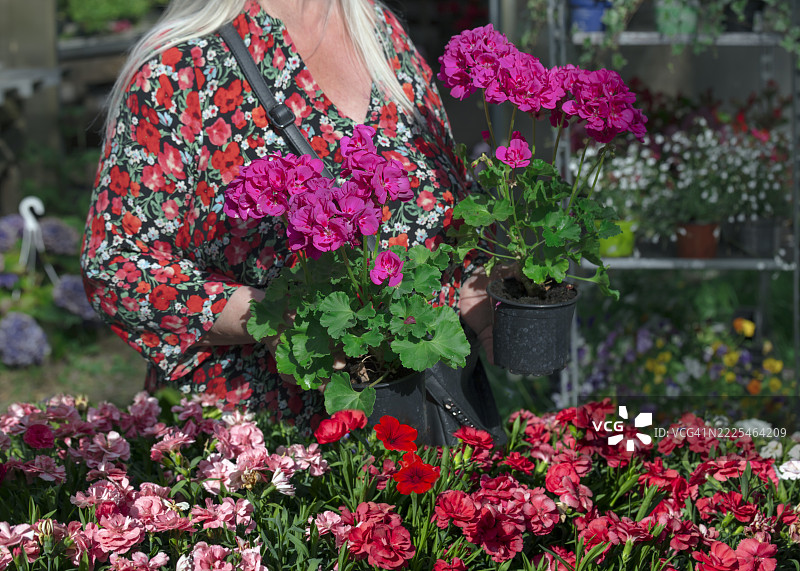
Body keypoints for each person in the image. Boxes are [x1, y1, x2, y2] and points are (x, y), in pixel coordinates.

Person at [81, 0, 495, 433]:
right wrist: (274, 315)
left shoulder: (378, 28)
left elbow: (440, 195)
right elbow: (116, 265)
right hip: (267, 457)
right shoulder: (180, 68)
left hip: (429, 420)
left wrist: (471, 277)